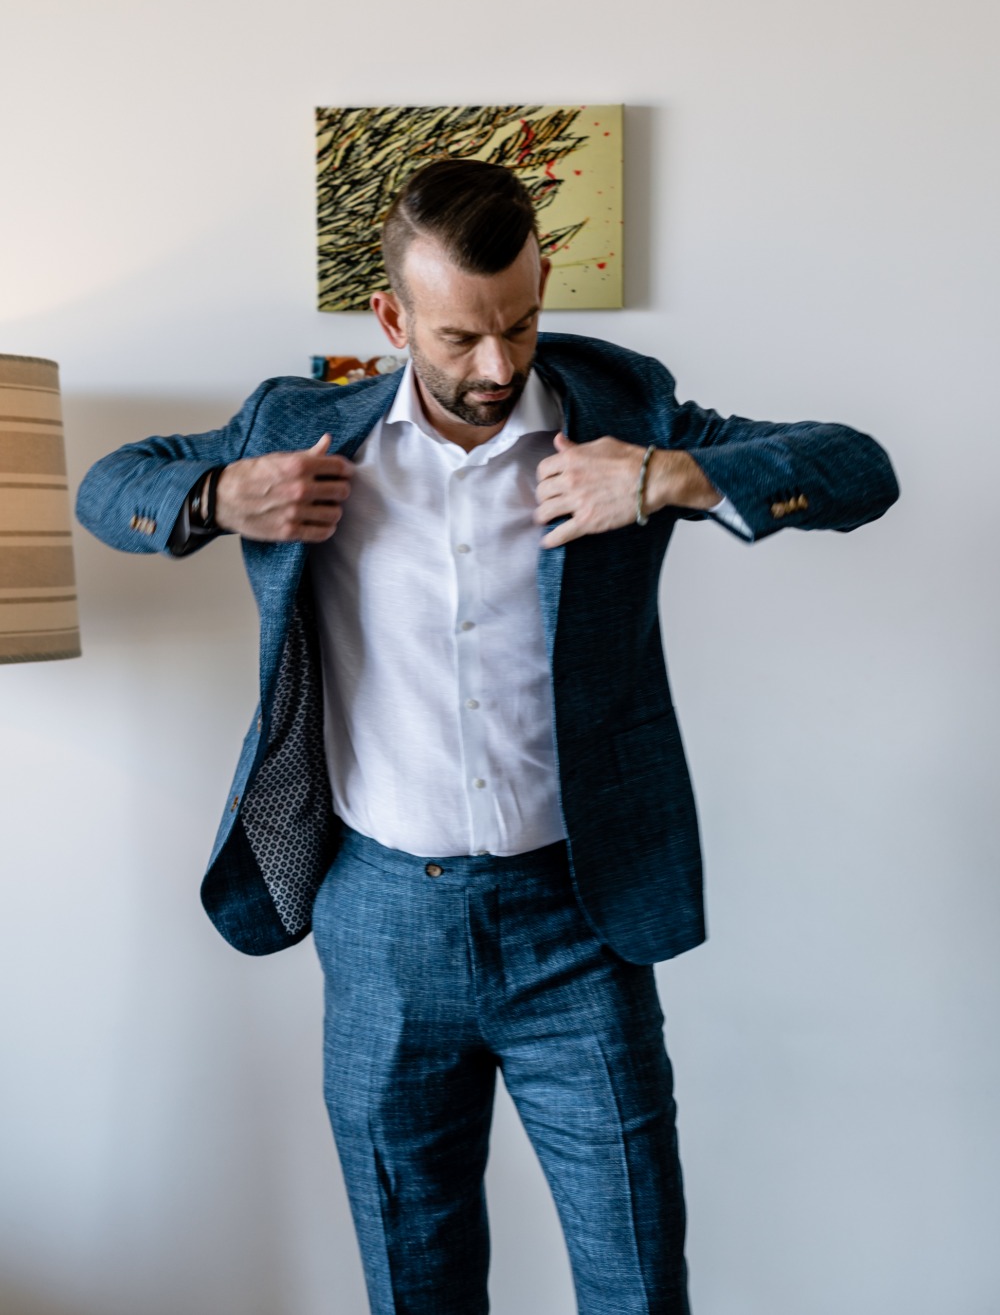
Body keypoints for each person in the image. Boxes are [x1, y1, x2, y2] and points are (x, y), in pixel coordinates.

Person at [76, 158, 899, 1315]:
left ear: (542, 280)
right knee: (417, 1280)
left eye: (519, 323)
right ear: (391, 316)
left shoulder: (627, 409)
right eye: (460, 336)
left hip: (578, 919)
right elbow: (110, 484)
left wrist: (667, 476)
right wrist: (216, 498)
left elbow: (860, 466)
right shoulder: (299, 428)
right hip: (375, 923)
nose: (498, 365)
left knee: (635, 1276)